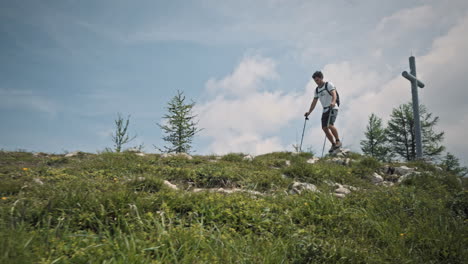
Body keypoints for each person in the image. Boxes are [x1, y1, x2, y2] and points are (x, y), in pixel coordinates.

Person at [304, 71, 342, 153]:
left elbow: (334, 94)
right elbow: (314, 102)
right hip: (325, 109)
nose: (316, 82)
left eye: (317, 80)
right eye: (315, 81)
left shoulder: (328, 85)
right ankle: (333, 144)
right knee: (324, 128)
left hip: (333, 107)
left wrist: (333, 102)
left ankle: (338, 141)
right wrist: (309, 112)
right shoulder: (317, 90)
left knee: (330, 125)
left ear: (321, 78)